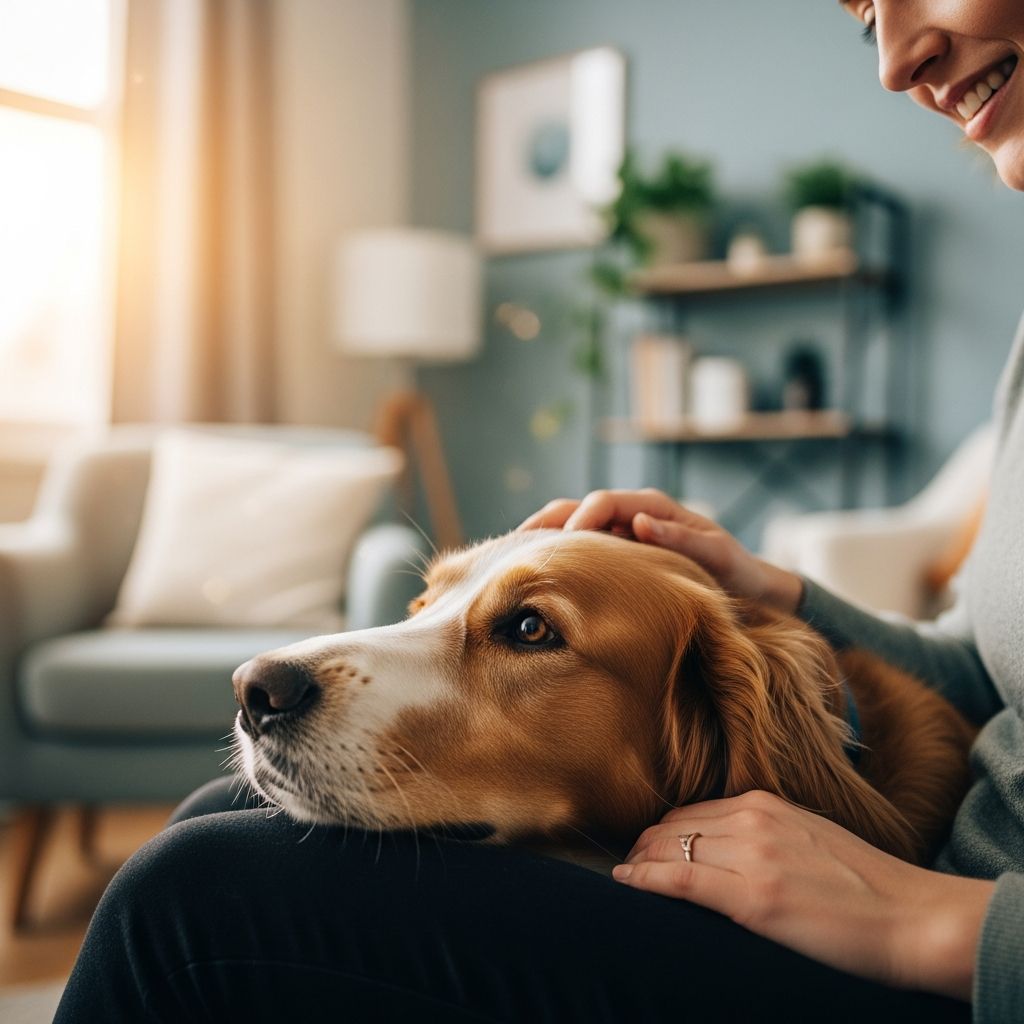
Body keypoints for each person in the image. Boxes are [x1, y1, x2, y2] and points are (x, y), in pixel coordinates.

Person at [55, 2, 1023, 1020]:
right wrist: (770, 590)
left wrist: (922, 920)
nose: (895, 59)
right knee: (217, 817)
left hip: (952, 968)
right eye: (865, 14)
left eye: (525, 631)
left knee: (194, 900)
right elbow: (988, 674)